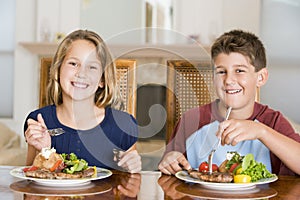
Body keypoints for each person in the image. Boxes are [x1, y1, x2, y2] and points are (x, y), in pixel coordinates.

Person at [158, 29, 300, 176]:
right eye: (221, 71)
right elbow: (169, 169)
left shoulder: (273, 122)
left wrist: (262, 132)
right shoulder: (191, 120)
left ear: (261, 77)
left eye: (239, 71)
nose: (229, 80)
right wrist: (170, 161)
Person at [24, 29, 141, 173]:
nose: (81, 73)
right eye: (73, 64)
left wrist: (133, 167)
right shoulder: (39, 121)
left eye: (92, 67)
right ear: (58, 69)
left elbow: (131, 182)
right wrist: (43, 150)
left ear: (102, 80)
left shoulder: (123, 125)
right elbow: (29, 179)